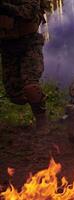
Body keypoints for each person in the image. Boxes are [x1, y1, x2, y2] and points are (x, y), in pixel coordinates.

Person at [0, 0, 49, 133]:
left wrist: (6, 7)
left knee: (30, 86)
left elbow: (30, 11)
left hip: (29, 42)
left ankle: (41, 119)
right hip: (7, 46)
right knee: (15, 96)